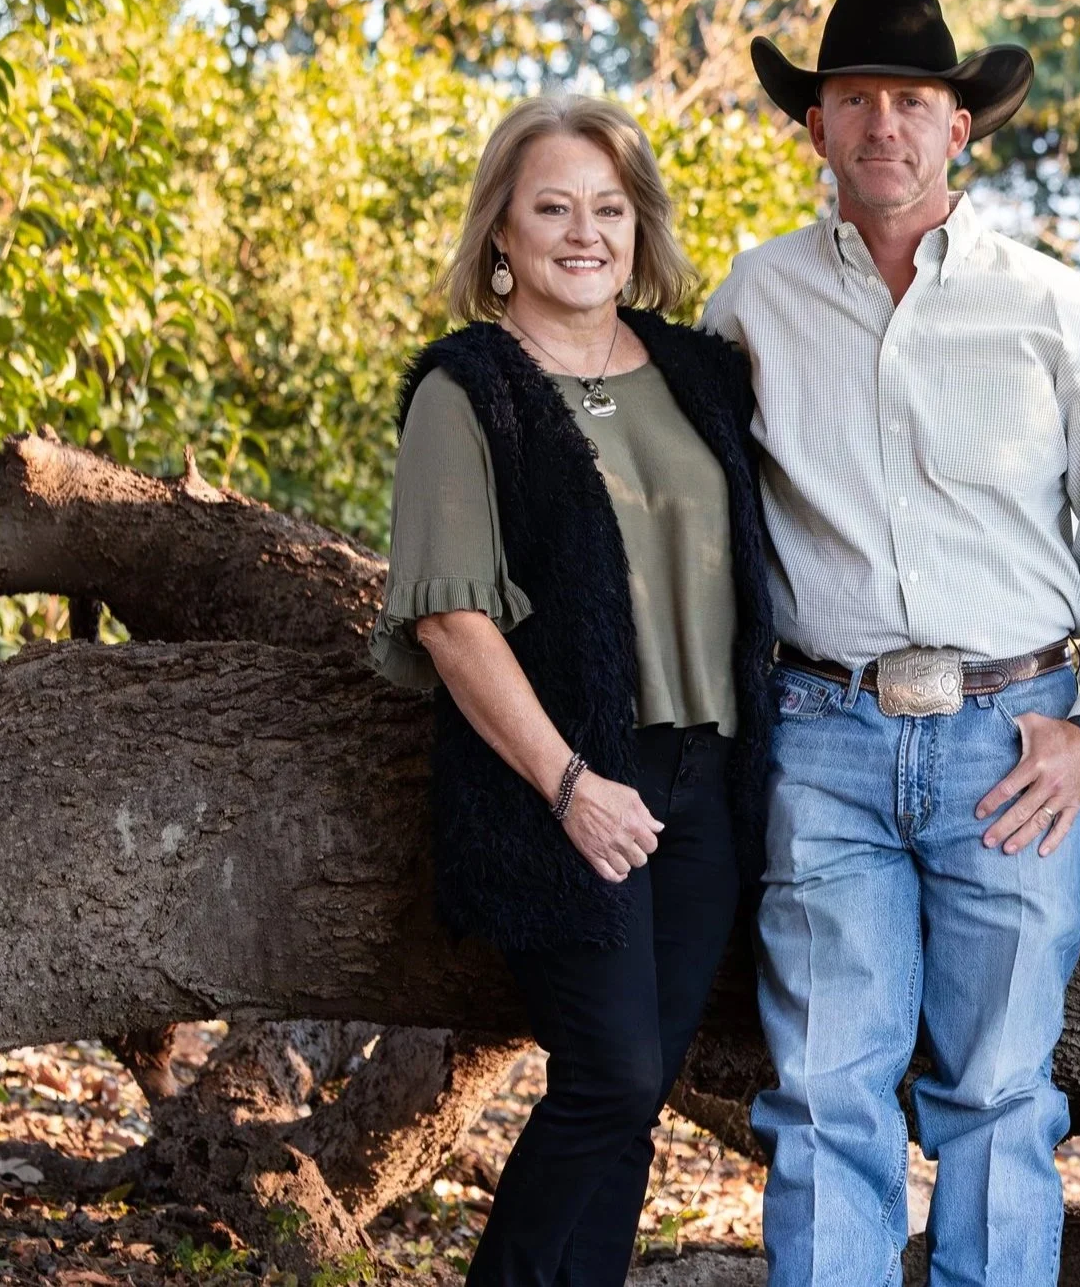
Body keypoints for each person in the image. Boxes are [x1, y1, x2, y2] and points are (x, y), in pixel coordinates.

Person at [699, 0, 1080, 1287]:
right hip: (821, 741)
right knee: (821, 1097)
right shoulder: (748, 302)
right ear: (812, 127)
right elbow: (691, 518)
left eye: (910, 101)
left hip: (1013, 744)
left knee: (994, 1094)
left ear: (958, 127)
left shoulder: (1052, 309)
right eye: (852, 98)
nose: (882, 124)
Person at [371, 93, 777, 1285]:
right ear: (501, 229)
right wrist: (569, 782)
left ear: (639, 229)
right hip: (570, 773)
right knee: (603, 1072)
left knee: (639, 1084)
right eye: (551, 206)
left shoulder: (705, 374)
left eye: (608, 207)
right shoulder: (469, 391)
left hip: (708, 778)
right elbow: (452, 619)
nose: (583, 231)